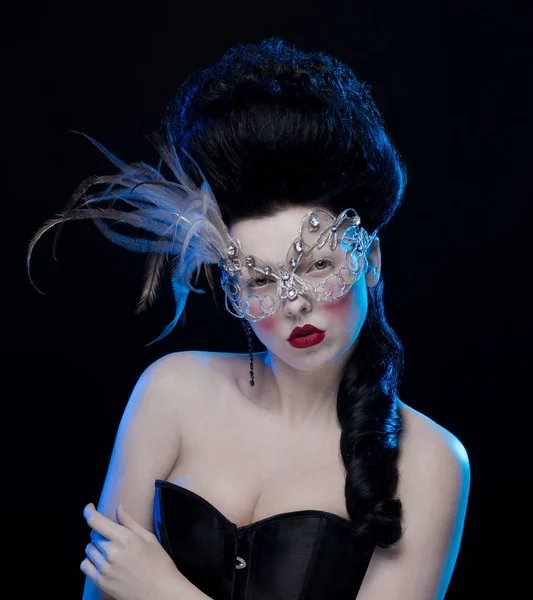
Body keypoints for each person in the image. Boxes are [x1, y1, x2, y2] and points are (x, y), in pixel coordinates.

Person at [29, 37, 470, 600]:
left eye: (315, 266)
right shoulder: (173, 391)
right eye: (260, 279)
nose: (294, 304)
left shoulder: (431, 463)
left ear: (371, 263)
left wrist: (163, 590)